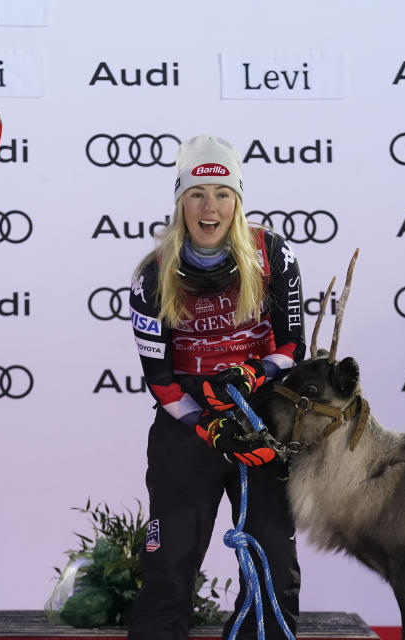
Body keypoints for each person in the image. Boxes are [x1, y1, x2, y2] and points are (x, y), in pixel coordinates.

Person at [127, 134, 305, 640]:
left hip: (261, 423)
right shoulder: (153, 275)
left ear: (238, 200)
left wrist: (253, 375)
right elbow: (160, 385)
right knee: (169, 566)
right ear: (180, 201)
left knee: (271, 562)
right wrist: (208, 429)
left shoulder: (272, 254)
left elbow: (293, 346)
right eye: (198, 195)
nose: (211, 208)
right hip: (189, 428)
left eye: (223, 194)